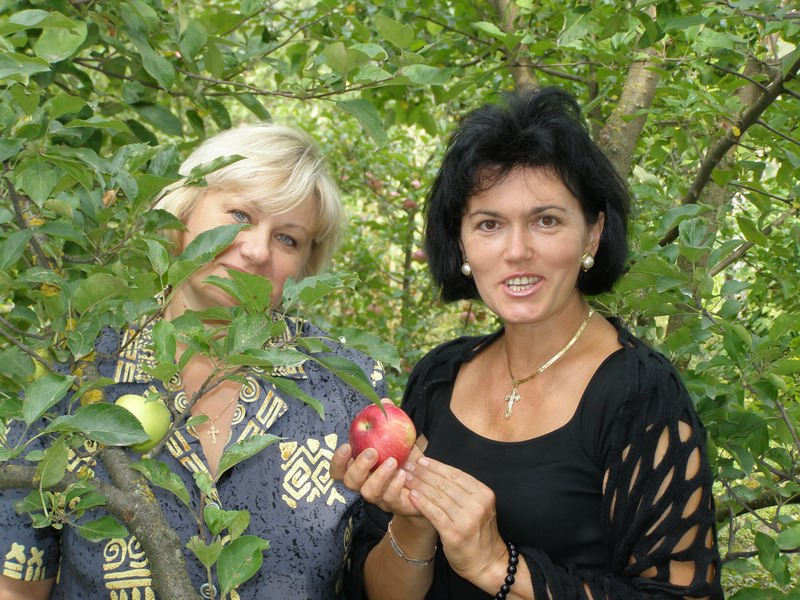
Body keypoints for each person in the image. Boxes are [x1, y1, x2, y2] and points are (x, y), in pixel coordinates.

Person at [332, 87, 723, 599]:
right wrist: (413, 522)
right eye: (489, 224)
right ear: (462, 243)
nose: (517, 251)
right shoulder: (440, 375)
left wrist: (497, 565)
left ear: (593, 233)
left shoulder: (640, 395)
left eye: (546, 220)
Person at [0, 123, 386, 599]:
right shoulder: (78, 372)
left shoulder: (345, 385)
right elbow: (17, 585)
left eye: (288, 239)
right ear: (182, 211)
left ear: (305, 265)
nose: (256, 250)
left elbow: (385, 577)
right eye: (239, 214)